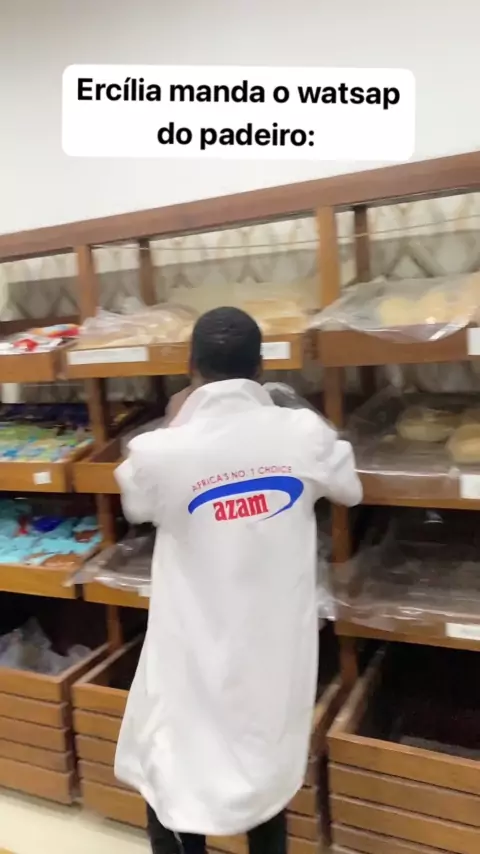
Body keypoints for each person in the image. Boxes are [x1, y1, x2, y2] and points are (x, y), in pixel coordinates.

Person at [114, 306, 362, 854]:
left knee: (177, 773)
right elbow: (349, 487)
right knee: (264, 778)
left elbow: (136, 502)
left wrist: (176, 422)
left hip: (192, 655)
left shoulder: (162, 450)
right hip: (273, 654)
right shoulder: (302, 433)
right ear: (261, 367)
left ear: (191, 367)